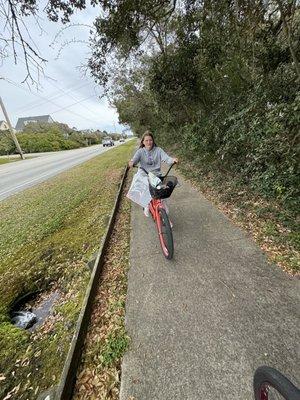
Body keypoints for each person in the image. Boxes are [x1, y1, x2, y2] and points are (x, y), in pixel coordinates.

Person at [127, 130, 178, 217]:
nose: (149, 142)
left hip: (156, 174)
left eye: (150, 140)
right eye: (146, 140)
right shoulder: (140, 151)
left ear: (153, 141)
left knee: (162, 188)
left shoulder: (158, 150)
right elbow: (134, 160)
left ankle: (162, 202)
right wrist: (131, 162)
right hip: (144, 174)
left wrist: (173, 160)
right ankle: (146, 204)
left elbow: (167, 158)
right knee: (147, 185)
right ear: (143, 142)